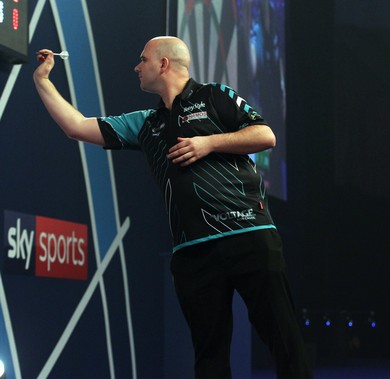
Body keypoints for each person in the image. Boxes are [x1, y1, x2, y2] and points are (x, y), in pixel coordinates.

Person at [33, 36, 312, 379]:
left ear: (163, 64)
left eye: (143, 59)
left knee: (284, 341)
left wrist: (208, 143)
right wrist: (42, 80)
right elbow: (76, 126)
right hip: (193, 253)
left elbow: (265, 135)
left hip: (249, 235)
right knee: (209, 358)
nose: (137, 67)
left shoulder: (214, 96)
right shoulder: (146, 123)